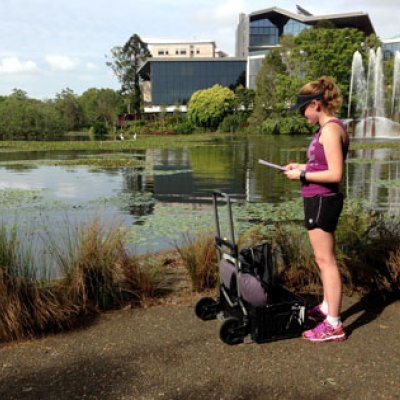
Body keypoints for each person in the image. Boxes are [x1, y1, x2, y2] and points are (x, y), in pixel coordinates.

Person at [284, 76, 349, 343]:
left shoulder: (331, 130)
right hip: (318, 199)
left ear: (315, 104)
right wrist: (300, 167)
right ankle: (325, 308)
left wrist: (302, 176)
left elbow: (335, 174)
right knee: (323, 259)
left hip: (323, 200)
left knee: (326, 261)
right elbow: (321, 166)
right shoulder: (326, 129)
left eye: (303, 109)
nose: (302, 115)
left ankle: (334, 324)